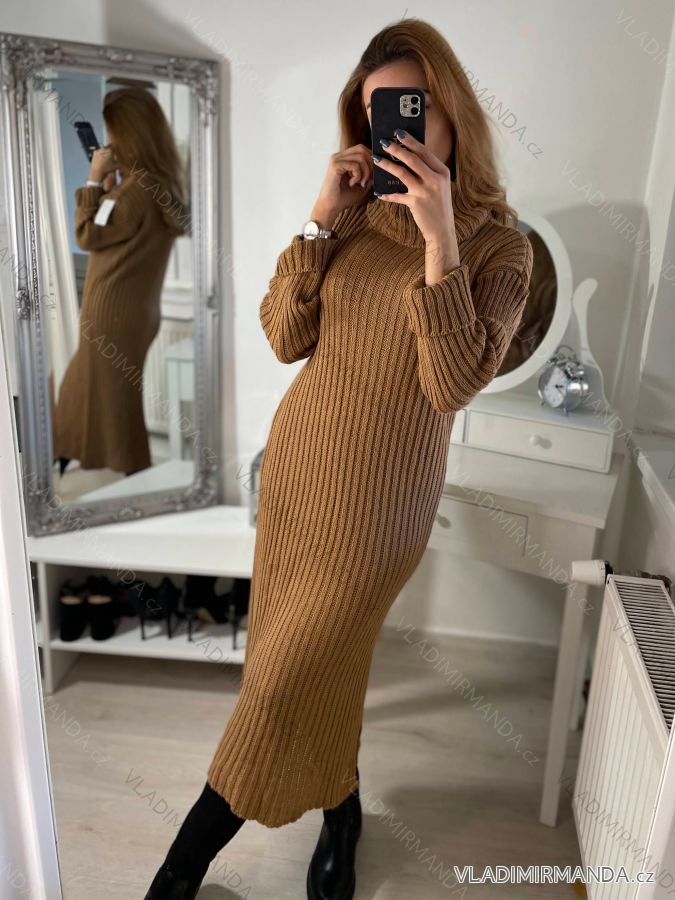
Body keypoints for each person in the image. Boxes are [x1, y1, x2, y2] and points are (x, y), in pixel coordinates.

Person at [144, 16, 533, 900]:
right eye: (376, 114)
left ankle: (174, 877)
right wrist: (320, 220)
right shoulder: (352, 216)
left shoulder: (500, 249)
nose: (395, 129)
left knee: (280, 684)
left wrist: (439, 239)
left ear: (451, 112)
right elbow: (285, 337)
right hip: (298, 476)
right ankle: (343, 809)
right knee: (316, 667)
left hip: (379, 510)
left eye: (412, 108)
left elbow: (450, 384)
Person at [52, 87, 188, 477]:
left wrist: (94, 179)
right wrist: (109, 190)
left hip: (111, 313)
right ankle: (71, 451)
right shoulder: (158, 186)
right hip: (135, 313)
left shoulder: (133, 193)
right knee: (81, 386)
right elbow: (117, 232)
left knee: (114, 399)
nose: (108, 144)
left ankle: (134, 468)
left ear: (128, 134)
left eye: (113, 134)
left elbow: (86, 235)